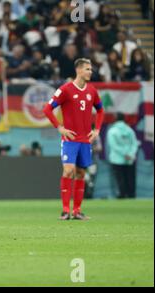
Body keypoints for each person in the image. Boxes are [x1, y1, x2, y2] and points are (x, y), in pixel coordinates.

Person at [43, 58, 104, 221]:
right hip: (70, 139)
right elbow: (47, 109)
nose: (90, 72)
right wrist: (59, 127)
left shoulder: (92, 90)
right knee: (68, 170)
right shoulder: (65, 89)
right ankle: (65, 210)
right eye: (88, 69)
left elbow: (100, 110)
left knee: (80, 173)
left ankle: (77, 211)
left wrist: (96, 129)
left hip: (85, 140)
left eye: (91, 69)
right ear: (78, 70)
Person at [106, 113, 139, 199]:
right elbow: (135, 143)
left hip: (117, 159)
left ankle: (122, 195)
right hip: (130, 159)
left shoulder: (112, 131)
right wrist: (130, 154)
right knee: (130, 179)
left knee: (120, 179)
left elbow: (113, 145)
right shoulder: (130, 130)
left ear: (115, 119)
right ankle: (132, 196)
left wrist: (124, 154)